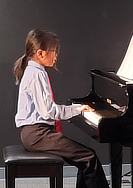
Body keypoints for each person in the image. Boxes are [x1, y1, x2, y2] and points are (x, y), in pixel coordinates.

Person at [13, 29, 109, 188]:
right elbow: (49, 111)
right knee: (89, 158)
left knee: (84, 159)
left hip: (35, 133)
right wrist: (78, 109)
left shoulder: (35, 71)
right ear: (41, 54)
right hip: (37, 134)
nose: (56, 56)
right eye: (54, 51)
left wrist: (77, 109)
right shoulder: (36, 74)